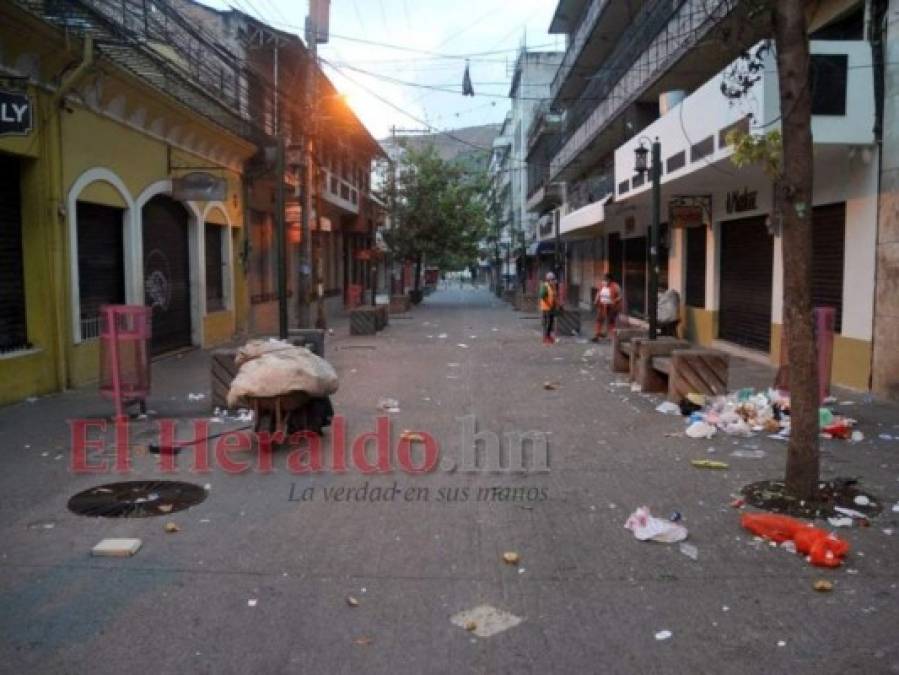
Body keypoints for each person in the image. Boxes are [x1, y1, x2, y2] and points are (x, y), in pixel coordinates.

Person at [592, 273, 622, 341]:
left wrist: (615, 301)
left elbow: (620, 296)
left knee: (611, 322)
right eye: (603, 280)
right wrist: (596, 300)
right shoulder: (602, 285)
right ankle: (597, 335)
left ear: (610, 280)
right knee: (599, 320)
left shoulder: (615, 286)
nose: (604, 281)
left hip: (611, 306)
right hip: (602, 305)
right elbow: (598, 293)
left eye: (606, 280)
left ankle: (612, 337)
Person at [538, 272, 559, 345]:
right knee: (548, 323)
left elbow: (554, 296)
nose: (553, 281)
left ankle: (548, 336)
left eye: (554, 279)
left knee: (550, 323)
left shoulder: (552, 286)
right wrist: (548, 304)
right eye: (552, 279)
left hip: (551, 307)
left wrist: (556, 305)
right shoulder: (545, 286)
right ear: (548, 280)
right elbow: (542, 296)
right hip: (546, 308)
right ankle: (546, 337)